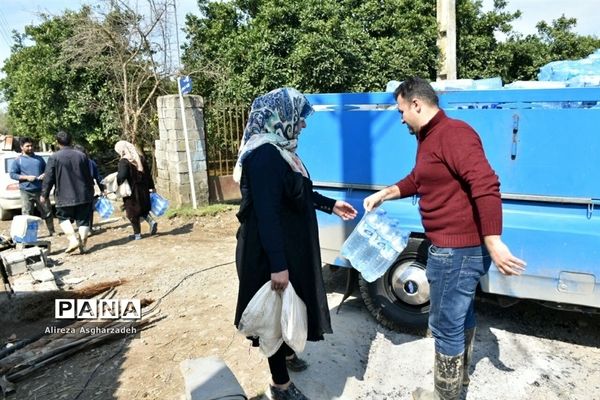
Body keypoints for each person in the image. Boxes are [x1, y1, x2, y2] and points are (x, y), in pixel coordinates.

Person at [363, 77, 527, 400]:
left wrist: (493, 240)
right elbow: (418, 178)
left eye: (401, 111)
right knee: (460, 315)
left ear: (416, 104)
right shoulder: (429, 137)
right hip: (453, 249)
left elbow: (486, 184)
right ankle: (459, 383)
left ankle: (445, 395)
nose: (400, 119)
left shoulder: (454, 134)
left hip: (457, 251)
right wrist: (386, 193)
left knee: (444, 325)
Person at [233, 88, 357, 400]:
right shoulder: (262, 156)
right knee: (273, 318)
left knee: (291, 305)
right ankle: (280, 385)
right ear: (280, 117)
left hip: (288, 247)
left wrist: (331, 205)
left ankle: (287, 355)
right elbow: (267, 215)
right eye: (299, 118)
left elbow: (297, 193)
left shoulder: (282, 152)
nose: (302, 125)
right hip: (268, 251)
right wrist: (278, 266)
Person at [41, 131, 95, 253]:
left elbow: (48, 177)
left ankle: (73, 240)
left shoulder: (54, 157)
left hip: (64, 195)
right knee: (83, 220)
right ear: (71, 141)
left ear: (57, 142)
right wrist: (90, 190)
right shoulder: (82, 156)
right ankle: (83, 246)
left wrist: (44, 194)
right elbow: (88, 176)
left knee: (63, 217)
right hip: (83, 194)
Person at [9, 137, 55, 236]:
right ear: (21, 147)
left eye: (31, 146)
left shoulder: (39, 159)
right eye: (27, 146)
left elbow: (47, 170)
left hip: (40, 190)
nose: (30, 148)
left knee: (47, 211)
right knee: (27, 215)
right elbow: (12, 174)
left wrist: (44, 175)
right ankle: (29, 235)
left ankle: (52, 231)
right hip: (26, 191)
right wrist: (26, 177)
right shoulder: (18, 160)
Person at [114, 140, 157, 240]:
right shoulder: (141, 159)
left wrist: (116, 183)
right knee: (142, 208)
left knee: (132, 213)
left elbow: (122, 176)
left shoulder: (124, 161)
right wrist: (152, 187)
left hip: (132, 191)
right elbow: (148, 174)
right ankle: (152, 221)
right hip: (143, 188)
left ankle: (137, 235)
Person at [74, 144, 106, 231]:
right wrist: (102, 189)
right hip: (88, 188)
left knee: (79, 209)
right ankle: (89, 228)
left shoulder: (73, 162)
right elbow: (98, 177)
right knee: (89, 209)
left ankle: (81, 228)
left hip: (76, 189)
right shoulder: (91, 162)